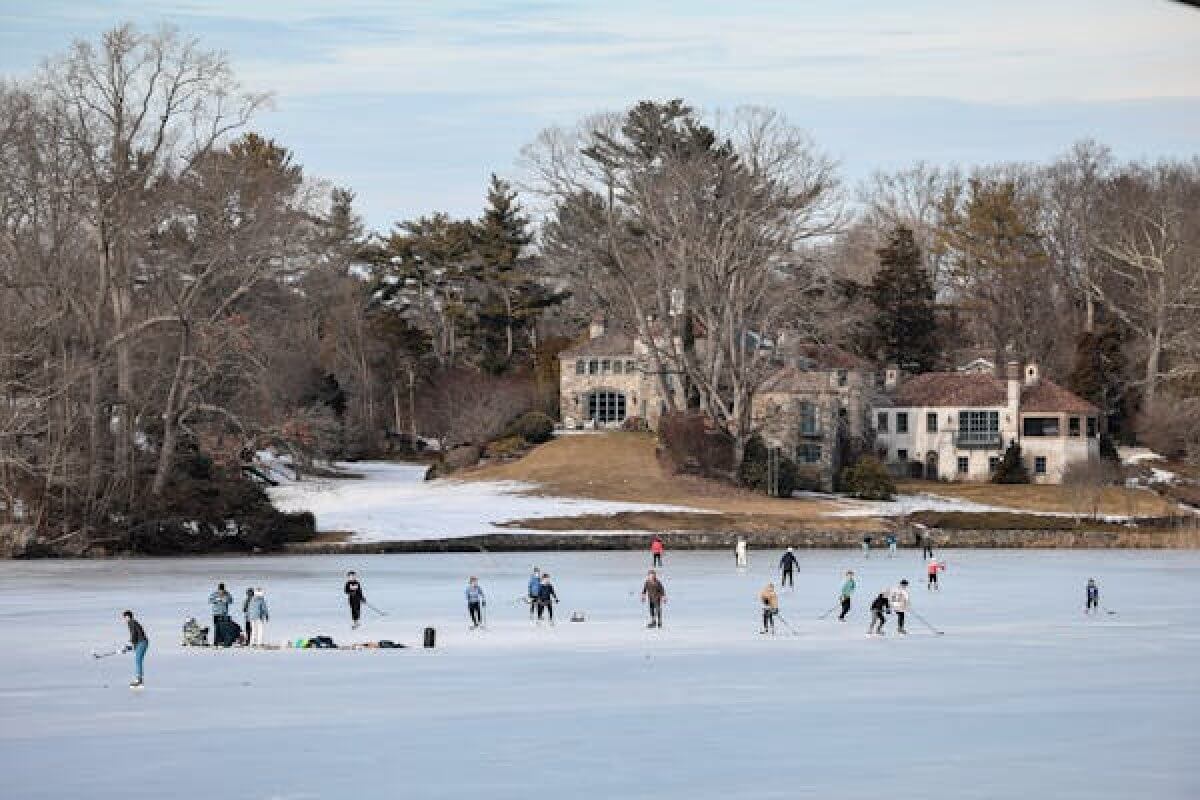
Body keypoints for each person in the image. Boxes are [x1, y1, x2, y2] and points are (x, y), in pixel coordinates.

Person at [122, 610, 148, 688]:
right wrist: (129, 647)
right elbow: (135, 635)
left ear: (128, 617)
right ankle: (139, 680)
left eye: (125, 617)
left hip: (142, 642)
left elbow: (133, 634)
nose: (124, 619)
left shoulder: (131, 622)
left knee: (138, 660)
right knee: (138, 660)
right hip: (141, 642)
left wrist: (129, 644)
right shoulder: (133, 622)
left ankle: (139, 681)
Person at [208, 583, 233, 647]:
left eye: (222, 590)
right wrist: (216, 600)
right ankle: (216, 642)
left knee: (223, 629)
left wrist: (226, 600)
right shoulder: (214, 594)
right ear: (218, 589)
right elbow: (210, 600)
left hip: (224, 614)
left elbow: (231, 601)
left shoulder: (227, 594)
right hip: (216, 613)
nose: (221, 591)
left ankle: (222, 641)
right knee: (217, 628)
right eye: (220, 590)